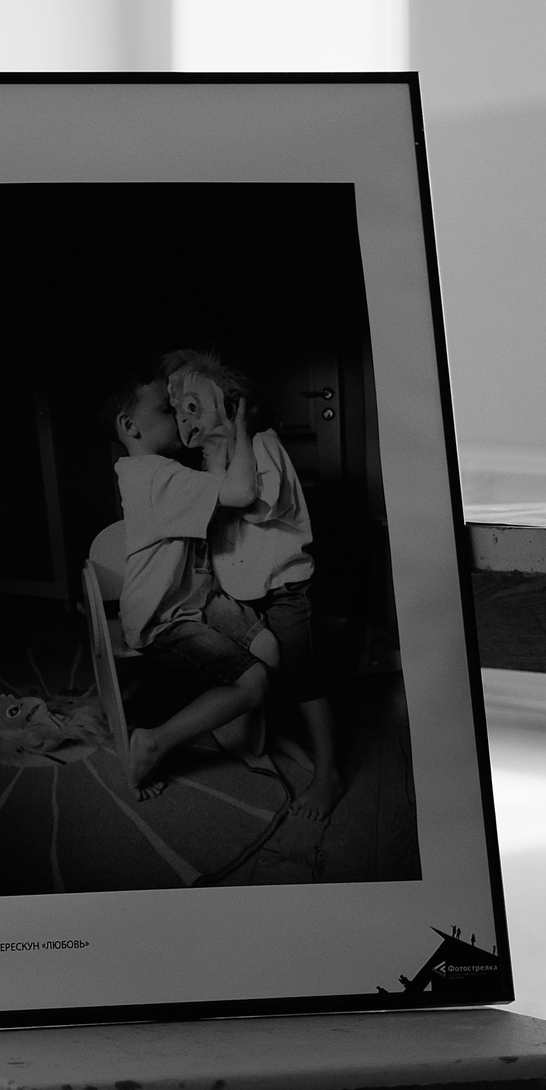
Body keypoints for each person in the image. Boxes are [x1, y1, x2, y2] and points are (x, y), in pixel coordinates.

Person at [165, 348, 342, 820]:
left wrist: (235, 442)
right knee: (258, 667)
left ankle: (329, 772)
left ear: (231, 405)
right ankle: (270, 732)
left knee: (304, 676)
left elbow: (256, 503)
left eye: (194, 406)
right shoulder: (207, 462)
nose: (186, 420)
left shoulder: (262, 444)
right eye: (179, 411)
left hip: (283, 588)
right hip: (240, 591)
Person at [108, 368, 279, 796]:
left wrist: (215, 442)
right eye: (167, 410)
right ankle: (154, 740)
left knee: (269, 647)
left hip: (193, 600)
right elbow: (240, 493)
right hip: (162, 617)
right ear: (130, 425)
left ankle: (237, 724)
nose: (178, 417)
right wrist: (241, 427)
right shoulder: (155, 476)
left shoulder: (152, 472)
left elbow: (216, 485)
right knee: (254, 680)